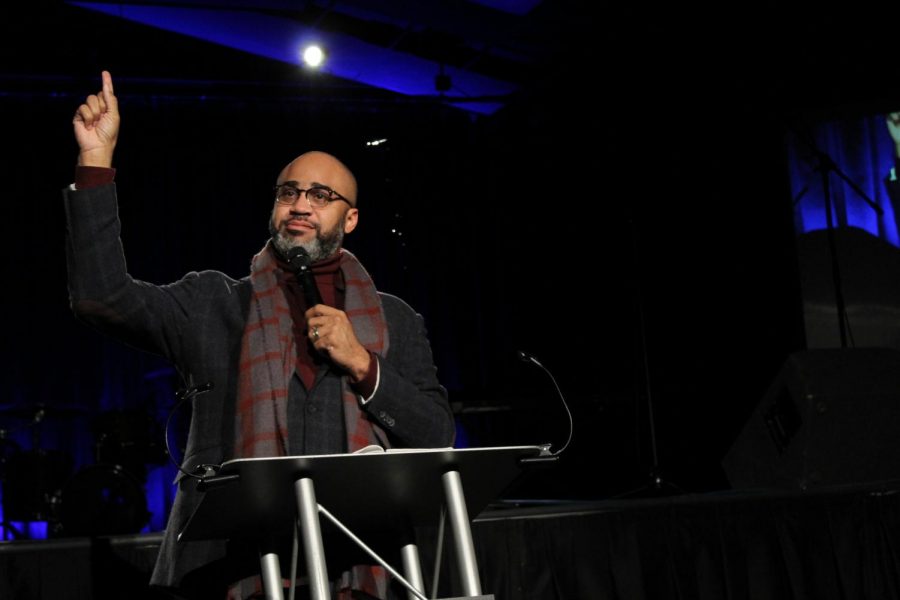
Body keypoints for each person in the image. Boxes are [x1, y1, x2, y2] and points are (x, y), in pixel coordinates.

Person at [66, 71, 456, 599]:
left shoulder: (396, 320)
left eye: (321, 195)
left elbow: (437, 434)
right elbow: (101, 297)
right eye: (289, 192)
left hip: (360, 568)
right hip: (230, 571)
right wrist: (96, 163)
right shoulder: (212, 303)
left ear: (352, 218)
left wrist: (364, 364)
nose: (300, 204)